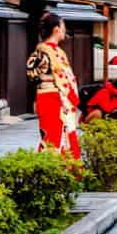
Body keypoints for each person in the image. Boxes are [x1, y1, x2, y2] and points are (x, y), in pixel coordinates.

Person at [26, 12, 81, 159]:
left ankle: (62, 167)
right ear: (56, 29)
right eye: (63, 27)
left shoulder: (55, 51)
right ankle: (53, 167)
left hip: (57, 96)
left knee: (63, 134)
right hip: (51, 97)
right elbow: (32, 74)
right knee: (53, 136)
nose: (65, 30)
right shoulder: (45, 51)